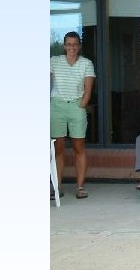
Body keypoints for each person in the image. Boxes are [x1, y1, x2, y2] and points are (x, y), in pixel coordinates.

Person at [50, 31, 96, 199]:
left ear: (79, 46)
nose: (72, 48)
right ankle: (57, 187)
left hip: (77, 105)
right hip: (57, 105)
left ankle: (80, 187)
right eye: (68, 44)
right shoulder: (54, 61)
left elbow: (88, 90)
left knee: (79, 146)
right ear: (64, 46)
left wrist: (82, 104)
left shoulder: (86, 63)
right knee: (58, 148)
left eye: (75, 44)